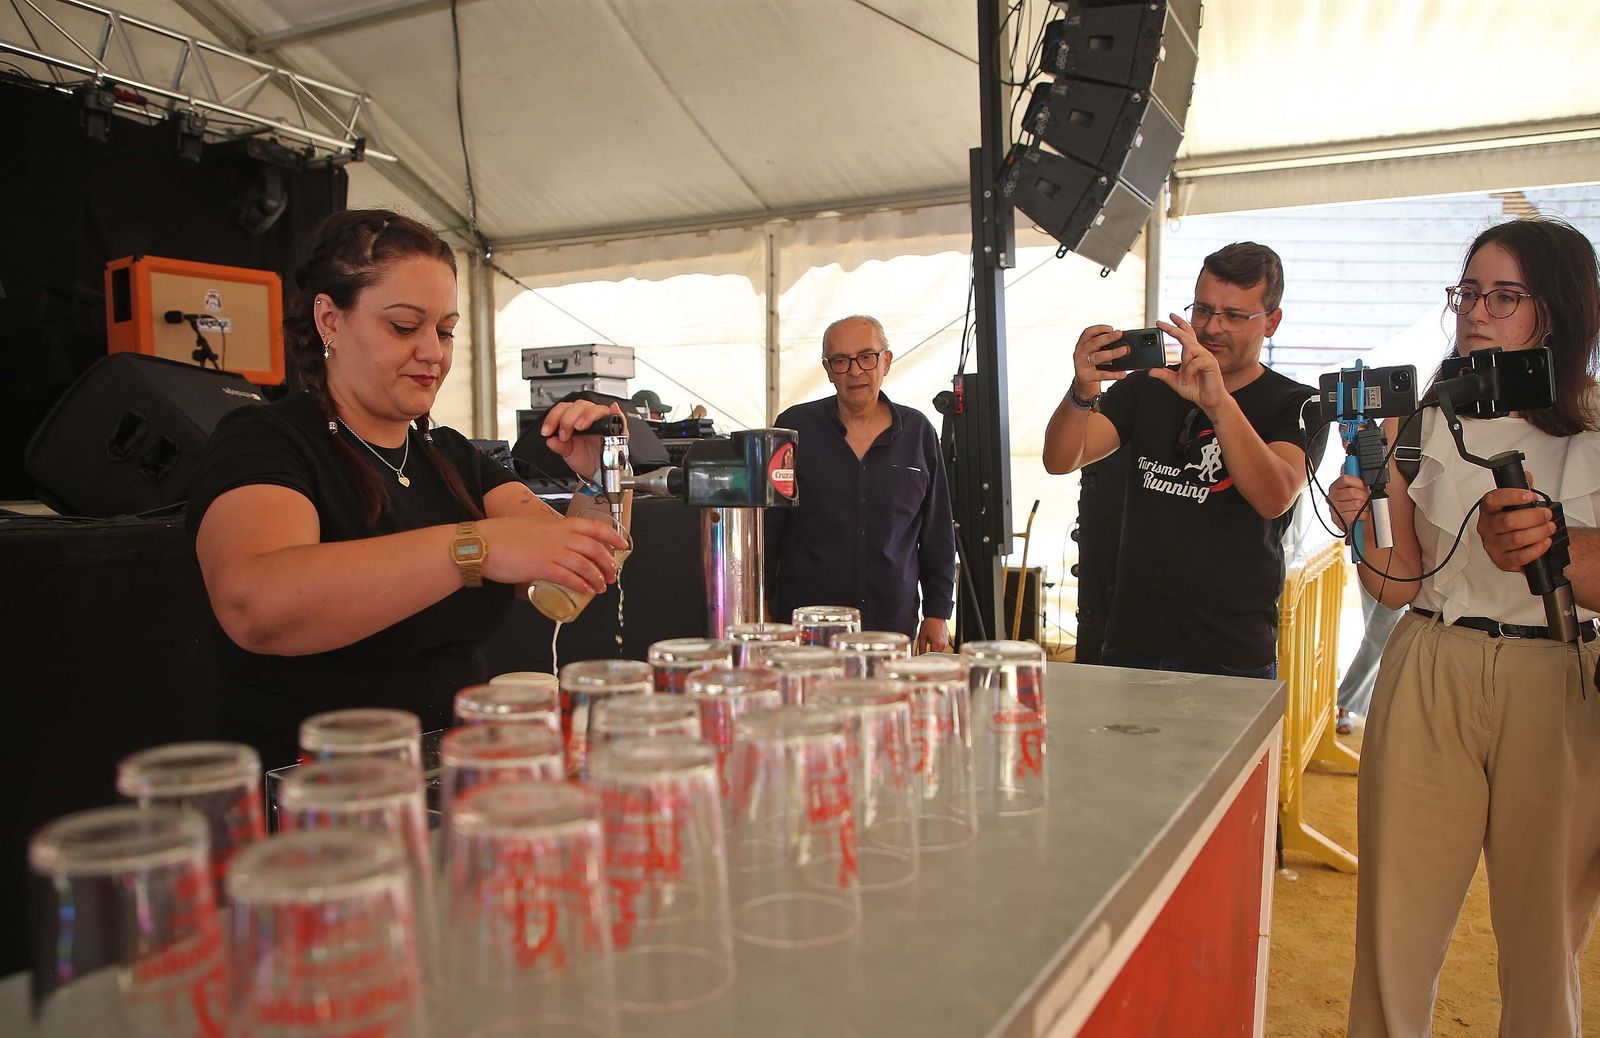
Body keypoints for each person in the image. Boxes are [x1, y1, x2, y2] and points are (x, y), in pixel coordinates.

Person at [186, 209, 628, 767]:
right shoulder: (266, 440)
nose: (434, 353)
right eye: (403, 327)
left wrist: (602, 474)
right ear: (330, 320)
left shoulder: (452, 457)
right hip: (320, 791)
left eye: (445, 331)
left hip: (454, 773)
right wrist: (476, 547)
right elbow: (256, 603)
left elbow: (572, 569)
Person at [1326, 217, 1600, 1035]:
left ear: (1557, 309)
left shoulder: (1595, 422)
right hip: (1432, 664)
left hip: (1559, 677)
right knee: (1393, 933)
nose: (1477, 310)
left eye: (1504, 295)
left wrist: (1560, 545)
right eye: (1468, 292)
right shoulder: (1424, 417)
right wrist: (1366, 511)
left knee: (1545, 938)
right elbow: (1398, 583)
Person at [1043, 242, 1326, 677]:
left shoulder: (1297, 403)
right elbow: (1061, 459)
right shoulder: (1151, 385)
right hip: (1132, 641)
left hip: (1230, 653)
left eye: (1234, 315)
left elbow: (1275, 496)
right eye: (1203, 310)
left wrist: (1219, 404)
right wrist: (1081, 391)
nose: (1213, 327)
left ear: (1271, 322)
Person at [764, 315, 956, 653]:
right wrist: (761, 606)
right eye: (841, 361)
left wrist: (937, 612)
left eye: (867, 357)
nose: (855, 371)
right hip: (808, 630)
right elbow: (769, 529)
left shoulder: (918, 432)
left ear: (887, 361)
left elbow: (937, 532)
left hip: (891, 627)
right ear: (827, 369)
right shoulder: (793, 428)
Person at [1334, 590, 1402, 734]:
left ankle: (1348, 703)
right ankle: (1346, 703)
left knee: (1377, 636)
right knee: (1377, 639)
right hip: (1389, 573)